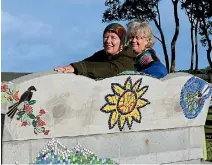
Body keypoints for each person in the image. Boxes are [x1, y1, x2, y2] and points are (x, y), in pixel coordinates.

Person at [54, 23, 135, 79]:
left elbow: (110, 69)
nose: (108, 41)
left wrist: (77, 67)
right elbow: (87, 63)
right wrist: (70, 68)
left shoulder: (127, 58)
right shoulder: (101, 55)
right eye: (106, 37)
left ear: (122, 41)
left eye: (113, 38)